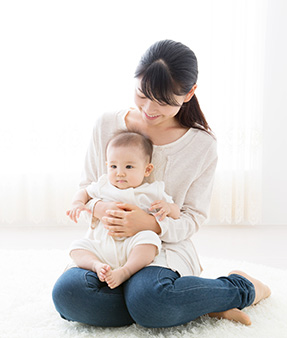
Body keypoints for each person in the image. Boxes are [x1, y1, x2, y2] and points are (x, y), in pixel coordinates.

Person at [52, 39, 271, 328]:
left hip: (162, 249)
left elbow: (193, 217)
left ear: (189, 93)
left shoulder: (201, 145)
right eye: (142, 95)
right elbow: (88, 187)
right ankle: (191, 302)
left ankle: (240, 288)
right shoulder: (106, 125)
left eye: (163, 100)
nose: (149, 109)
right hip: (105, 248)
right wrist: (101, 209)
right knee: (69, 295)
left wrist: (149, 224)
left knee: (150, 300)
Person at [66, 130, 180, 289]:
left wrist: (168, 208)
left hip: (132, 246)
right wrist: (77, 203)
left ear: (147, 170)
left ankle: (126, 271)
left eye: (128, 166)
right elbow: (84, 192)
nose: (120, 173)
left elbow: (177, 212)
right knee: (77, 247)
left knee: (150, 240)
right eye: (113, 166)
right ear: (107, 166)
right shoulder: (104, 185)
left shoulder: (153, 191)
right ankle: (96, 266)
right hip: (101, 244)